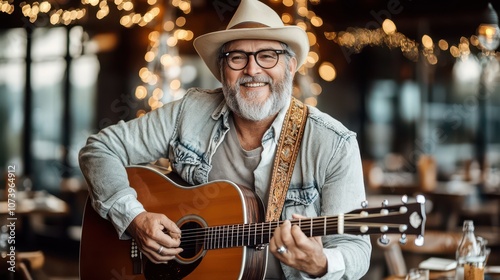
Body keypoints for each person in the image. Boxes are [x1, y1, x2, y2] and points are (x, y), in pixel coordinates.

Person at [78, 0, 372, 279]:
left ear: (291, 66)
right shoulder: (188, 113)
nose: (252, 69)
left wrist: (322, 263)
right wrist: (135, 219)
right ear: (222, 70)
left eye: (267, 55)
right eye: (237, 57)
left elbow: (356, 248)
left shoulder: (333, 143)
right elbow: (99, 150)